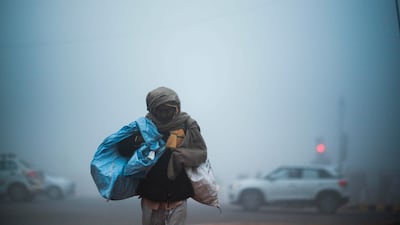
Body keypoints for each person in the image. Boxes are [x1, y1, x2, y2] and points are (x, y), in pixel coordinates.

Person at [136, 86, 207, 225]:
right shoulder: (144, 127)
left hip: (178, 195)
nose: (164, 114)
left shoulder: (188, 126)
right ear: (152, 109)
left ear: (176, 108)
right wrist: (138, 141)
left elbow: (200, 153)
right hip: (151, 195)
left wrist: (181, 156)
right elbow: (123, 149)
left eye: (168, 109)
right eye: (160, 110)